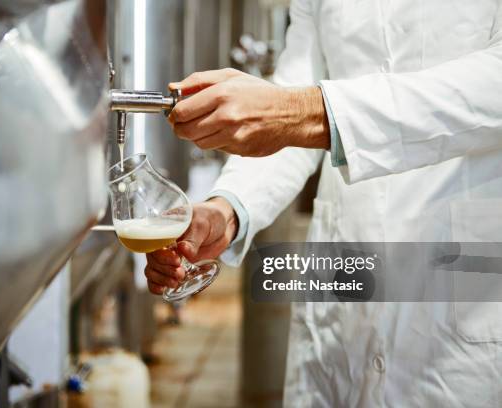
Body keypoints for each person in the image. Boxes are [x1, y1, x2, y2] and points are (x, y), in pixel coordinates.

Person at [144, 0, 502, 406]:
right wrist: (229, 207)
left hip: (464, 278)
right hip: (346, 273)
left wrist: (308, 110)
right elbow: (295, 99)